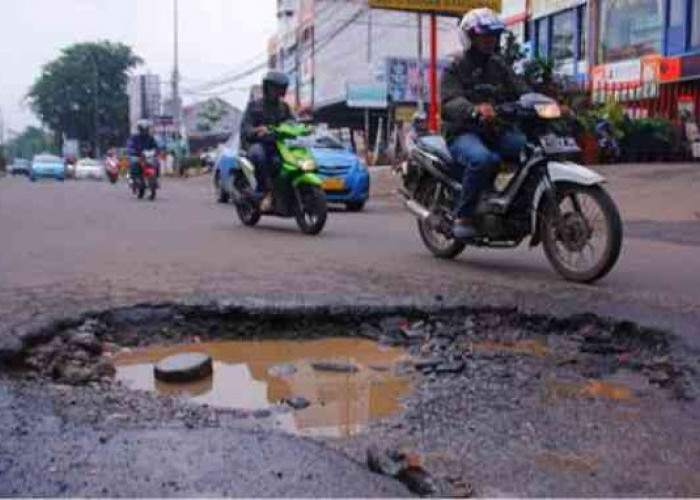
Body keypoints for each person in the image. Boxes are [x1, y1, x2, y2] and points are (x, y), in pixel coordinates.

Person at [441, 8, 530, 239]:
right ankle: (464, 215)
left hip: (494, 129)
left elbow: (521, 90)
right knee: (482, 159)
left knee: (527, 148)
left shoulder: (498, 66)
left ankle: (513, 203)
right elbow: (450, 101)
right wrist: (473, 109)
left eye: (493, 36)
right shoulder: (456, 66)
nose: (489, 41)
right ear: (470, 37)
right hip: (462, 132)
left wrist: (545, 103)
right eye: (484, 36)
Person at [240, 71, 294, 210]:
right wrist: (257, 130)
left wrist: (304, 128)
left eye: (280, 88)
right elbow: (245, 129)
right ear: (266, 88)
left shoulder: (284, 107)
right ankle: (263, 191)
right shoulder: (254, 106)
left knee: (283, 161)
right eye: (274, 87)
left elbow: (293, 123)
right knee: (260, 156)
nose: (277, 91)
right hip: (256, 144)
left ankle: (285, 191)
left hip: (278, 145)